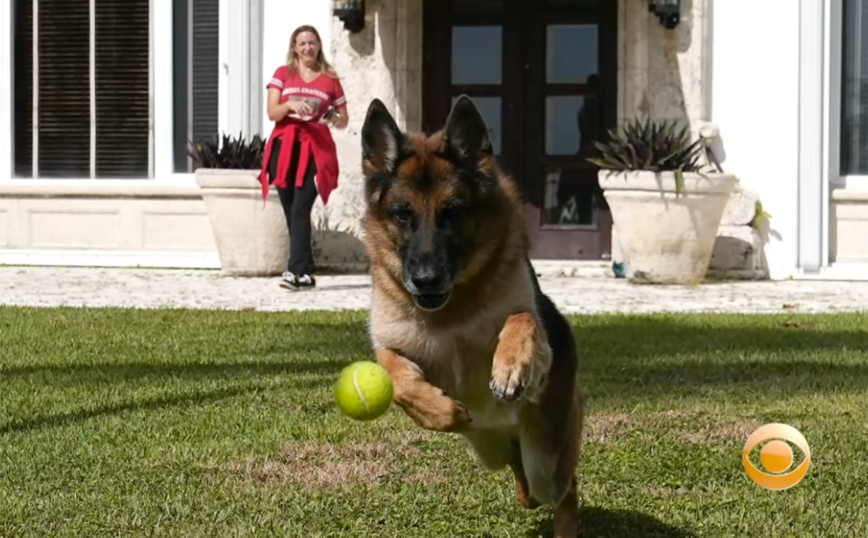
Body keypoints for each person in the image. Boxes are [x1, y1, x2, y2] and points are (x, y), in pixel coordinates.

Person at [258, 25, 349, 291]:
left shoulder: (330, 79)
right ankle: (307, 271)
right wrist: (290, 104)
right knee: (291, 209)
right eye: (302, 43)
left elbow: (344, 120)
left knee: (301, 207)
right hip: (284, 148)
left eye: (312, 42)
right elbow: (273, 113)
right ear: (294, 47)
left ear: (319, 46)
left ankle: (293, 271)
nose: (307, 48)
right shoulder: (283, 74)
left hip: (314, 148)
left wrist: (333, 116)